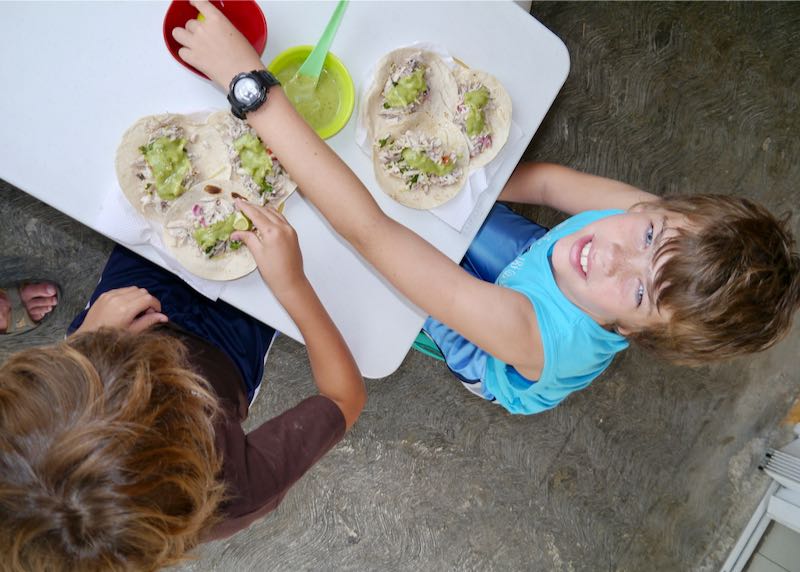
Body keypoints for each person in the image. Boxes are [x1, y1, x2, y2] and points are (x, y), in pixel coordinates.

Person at [174, 0, 800, 415]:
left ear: (636, 335)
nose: (610, 256)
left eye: (639, 294)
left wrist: (249, 87)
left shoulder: (530, 336)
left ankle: (438, 325)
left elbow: (371, 234)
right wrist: (438, 177)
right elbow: (552, 185)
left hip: (496, 344)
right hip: (532, 265)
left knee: (409, 296)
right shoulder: (650, 222)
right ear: (668, 213)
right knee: (457, 223)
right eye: (647, 238)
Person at [0, 153, 364, 566]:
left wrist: (87, 343)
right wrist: (292, 285)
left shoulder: (41, 410)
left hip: (119, 315)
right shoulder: (231, 496)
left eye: (58, 381)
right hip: (230, 346)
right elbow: (342, 398)